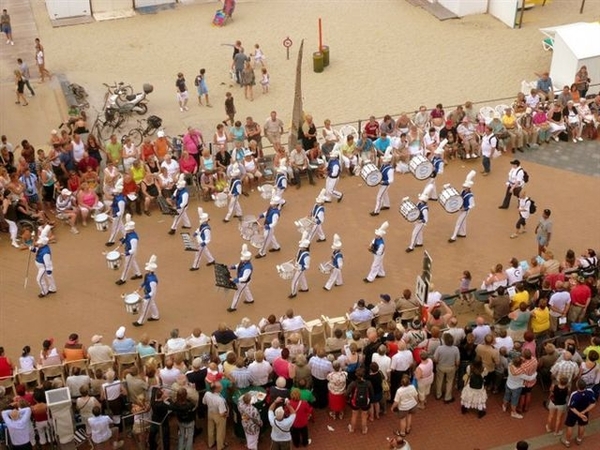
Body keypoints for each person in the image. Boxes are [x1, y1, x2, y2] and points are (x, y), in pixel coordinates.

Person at [562, 378, 597, 447]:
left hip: (573, 413)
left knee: (570, 426)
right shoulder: (590, 391)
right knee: (582, 425)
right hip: (584, 412)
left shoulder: (574, 394)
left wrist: (579, 414)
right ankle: (579, 439)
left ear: (577, 386)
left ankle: (567, 442)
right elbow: (593, 403)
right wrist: (583, 412)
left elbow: (571, 407)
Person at [133, 255, 160, 327]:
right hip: (147, 292)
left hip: (149, 295)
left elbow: (153, 292)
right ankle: (156, 316)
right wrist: (139, 288)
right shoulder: (147, 275)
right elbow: (144, 282)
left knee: (145, 308)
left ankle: (140, 322)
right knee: (152, 304)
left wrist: (146, 297)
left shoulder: (152, 281)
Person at [449, 171, 475, 242]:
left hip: (465, 211)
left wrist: (465, 208)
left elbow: (472, 205)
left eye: (465, 187)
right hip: (461, 208)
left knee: (458, 223)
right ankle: (463, 233)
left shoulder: (470, 196)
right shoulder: (463, 191)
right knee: (463, 221)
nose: (463, 187)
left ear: (468, 188)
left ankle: (453, 237)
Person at [116, 217, 142, 285]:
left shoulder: (133, 238)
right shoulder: (128, 233)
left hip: (130, 253)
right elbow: (125, 237)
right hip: (128, 250)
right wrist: (122, 242)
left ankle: (123, 279)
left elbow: (133, 250)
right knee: (133, 262)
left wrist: (125, 254)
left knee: (127, 266)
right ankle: (138, 274)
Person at [228, 243, 254, 312]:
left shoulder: (248, 268)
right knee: (246, 289)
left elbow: (244, 278)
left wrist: (235, 280)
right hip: (243, 281)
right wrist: (232, 267)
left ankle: (233, 307)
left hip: (243, 282)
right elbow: (238, 265)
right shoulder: (243, 262)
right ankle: (250, 299)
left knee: (238, 294)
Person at [31, 225, 56, 298]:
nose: (37, 244)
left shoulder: (46, 252)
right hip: (40, 266)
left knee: (39, 279)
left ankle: (44, 292)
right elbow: (35, 250)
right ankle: (53, 288)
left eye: (39, 244)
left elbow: (48, 263)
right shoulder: (41, 246)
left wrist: (49, 271)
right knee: (49, 278)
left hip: (43, 268)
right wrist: (32, 248)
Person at [406, 185, 432, 252]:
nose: (419, 199)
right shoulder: (419, 204)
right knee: (419, 232)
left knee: (414, 233)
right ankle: (420, 242)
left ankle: (411, 247)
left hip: (420, 223)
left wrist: (420, 221)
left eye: (420, 199)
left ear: (423, 201)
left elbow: (426, 219)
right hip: (416, 220)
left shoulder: (424, 209)